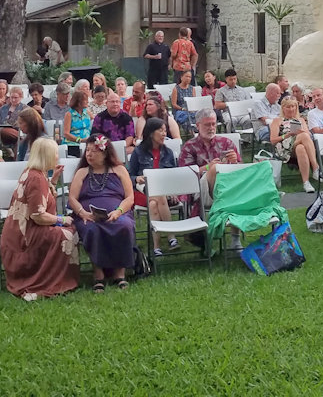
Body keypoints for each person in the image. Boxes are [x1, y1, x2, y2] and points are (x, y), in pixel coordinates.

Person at [0, 138, 80, 300]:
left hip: (21, 230)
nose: (57, 157)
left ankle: (55, 275)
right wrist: (62, 219)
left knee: (67, 229)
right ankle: (50, 279)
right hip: (26, 236)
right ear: (47, 155)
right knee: (67, 233)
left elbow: (43, 199)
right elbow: (38, 216)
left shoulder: (33, 172)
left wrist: (54, 180)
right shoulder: (36, 179)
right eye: (55, 153)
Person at [69, 134, 136, 291]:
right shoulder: (82, 172)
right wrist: (83, 213)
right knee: (92, 229)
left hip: (118, 213)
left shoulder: (119, 170)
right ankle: (98, 273)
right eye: (87, 151)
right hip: (88, 215)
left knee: (124, 226)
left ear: (105, 153)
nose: (89, 154)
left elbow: (130, 198)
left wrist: (118, 212)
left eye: (94, 151)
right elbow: (72, 198)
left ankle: (120, 273)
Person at [126, 117, 178, 256]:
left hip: (163, 193)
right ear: (150, 133)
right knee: (159, 195)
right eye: (160, 130)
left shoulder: (168, 153)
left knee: (154, 204)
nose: (164, 134)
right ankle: (171, 237)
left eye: (165, 130)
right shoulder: (138, 152)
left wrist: (174, 191)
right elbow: (129, 176)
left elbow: (174, 177)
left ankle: (156, 247)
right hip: (141, 192)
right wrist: (137, 178)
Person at [179, 108, 241, 200]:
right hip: (200, 190)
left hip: (228, 184)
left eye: (213, 124)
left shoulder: (226, 143)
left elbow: (241, 170)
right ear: (198, 126)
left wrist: (235, 162)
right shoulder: (189, 147)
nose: (211, 128)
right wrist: (208, 167)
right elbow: (186, 176)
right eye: (207, 125)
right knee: (215, 168)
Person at [269, 98, 321, 192]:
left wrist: (301, 131)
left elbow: (309, 135)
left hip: (297, 145)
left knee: (301, 148)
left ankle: (306, 183)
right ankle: (316, 168)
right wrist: (287, 135)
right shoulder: (277, 121)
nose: (291, 109)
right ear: (283, 108)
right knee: (304, 136)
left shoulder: (300, 120)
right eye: (288, 107)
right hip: (283, 148)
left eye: (293, 106)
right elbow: (273, 140)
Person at [0, 85, 26, 152]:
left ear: (21, 97)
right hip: (2, 130)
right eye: (11, 97)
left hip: (19, 130)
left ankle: (20, 140)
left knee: (5, 131)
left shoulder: (25, 109)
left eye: (16, 98)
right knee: (2, 130)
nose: (13, 100)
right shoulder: (3, 108)